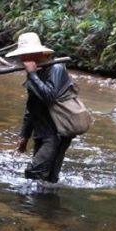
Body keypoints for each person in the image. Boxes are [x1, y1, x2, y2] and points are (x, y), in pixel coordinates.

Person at [8, 32, 75, 183]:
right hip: (41, 131)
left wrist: (32, 74)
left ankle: (38, 197)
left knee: (33, 171)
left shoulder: (56, 68)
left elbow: (49, 96)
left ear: (38, 53)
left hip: (58, 132)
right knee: (47, 178)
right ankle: (45, 198)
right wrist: (24, 136)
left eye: (25, 54)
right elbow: (31, 106)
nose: (22, 59)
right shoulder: (36, 72)